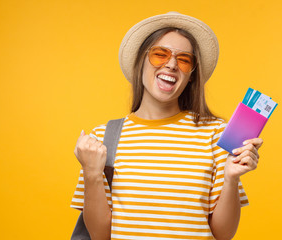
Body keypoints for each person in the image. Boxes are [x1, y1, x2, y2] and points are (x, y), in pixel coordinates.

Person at [71, 12, 263, 240]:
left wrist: (231, 179)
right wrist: (92, 173)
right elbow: (100, 236)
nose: (171, 64)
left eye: (184, 60)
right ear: (140, 62)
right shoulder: (103, 138)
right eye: (159, 54)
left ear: (191, 75)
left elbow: (223, 235)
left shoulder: (215, 134)